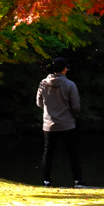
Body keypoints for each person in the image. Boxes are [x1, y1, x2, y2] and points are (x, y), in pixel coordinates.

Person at [36, 57, 85, 188]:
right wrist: (73, 113)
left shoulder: (43, 83)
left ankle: (46, 180)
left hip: (48, 124)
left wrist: (49, 110)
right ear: (64, 69)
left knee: (48, 153)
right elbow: (76, 105)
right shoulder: (70, 84)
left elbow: (39, 103)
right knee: (72, 152)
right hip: (66, 123)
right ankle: (78, 180)